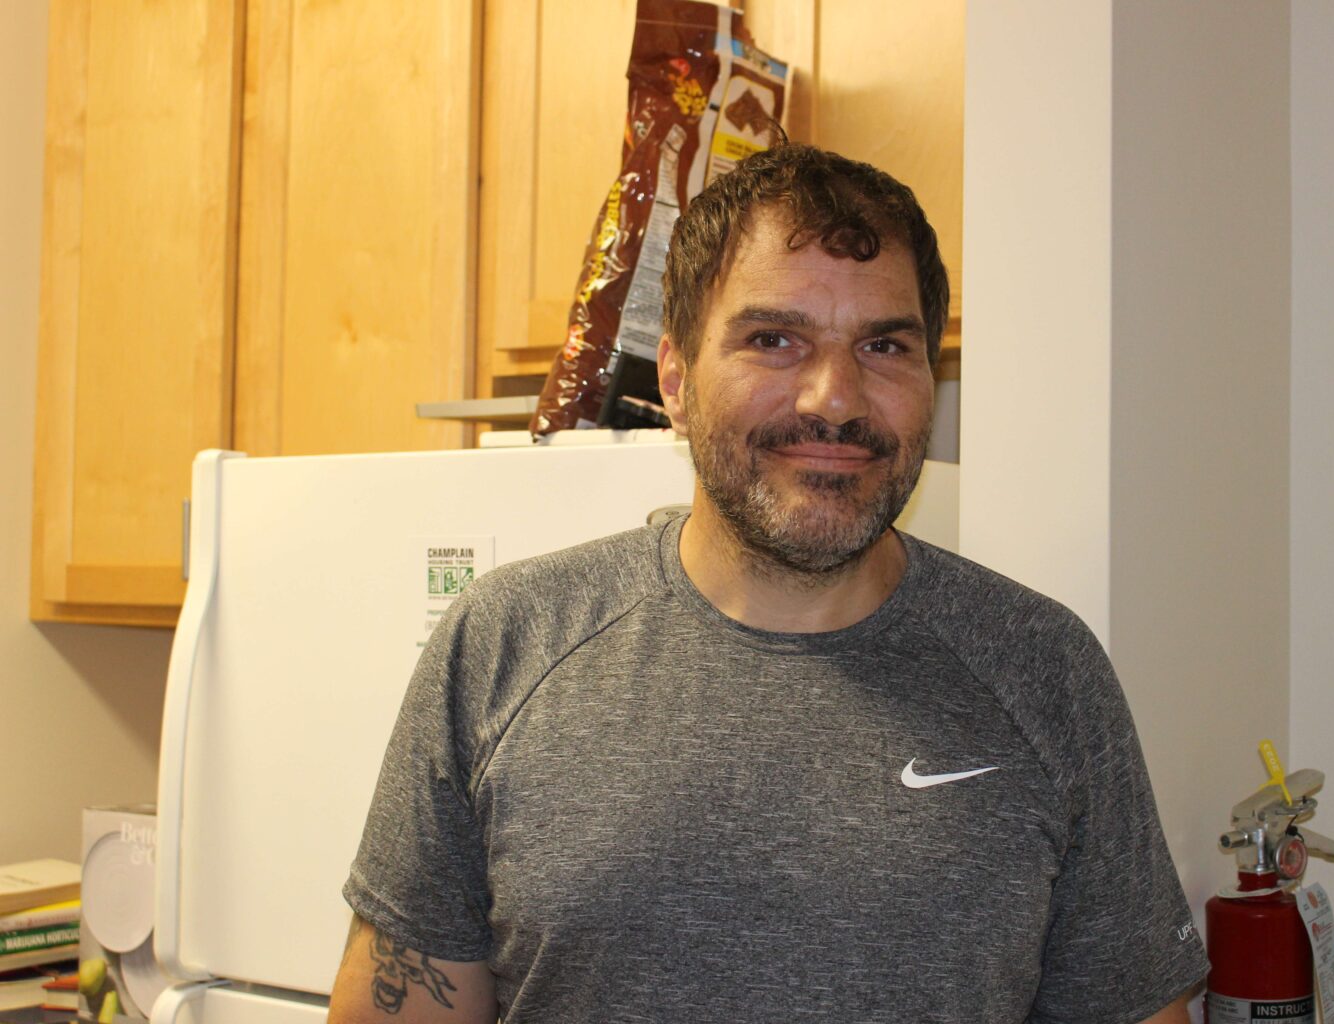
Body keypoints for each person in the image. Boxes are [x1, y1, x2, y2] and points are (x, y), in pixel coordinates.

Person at [329, 143, 1207, 1024]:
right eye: (774, 340)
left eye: (885, 344)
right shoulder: (505, 645)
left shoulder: (1043, 669)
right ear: (675, 381)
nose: (834, 398)